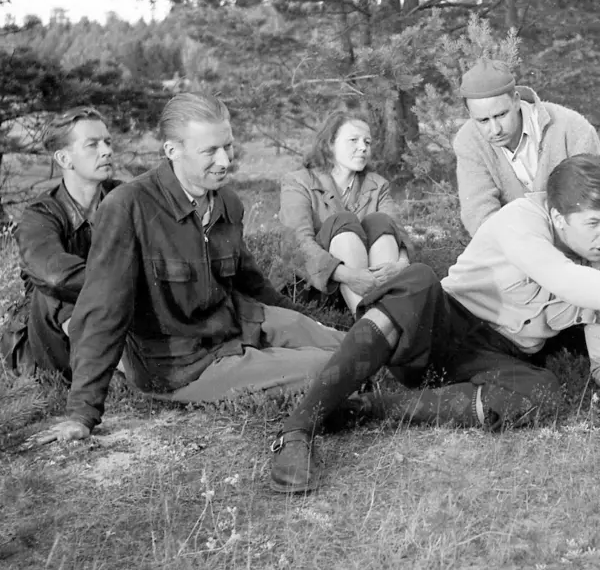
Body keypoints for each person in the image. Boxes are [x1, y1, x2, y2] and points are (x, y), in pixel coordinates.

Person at [269, 155, 600, 495]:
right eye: (594, 224)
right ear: (557, 217)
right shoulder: (520, 221)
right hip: (442, 325)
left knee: (545, 393)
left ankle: (369, 409)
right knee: (417, 280)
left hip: (496, 355)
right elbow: (562, 277)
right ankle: (298, 429)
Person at [25, 93, 345, 448]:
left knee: (351, 343)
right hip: (184, 363)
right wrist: (82, 413)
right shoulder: (129, 207)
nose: (224, 161)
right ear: (172, 150)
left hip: (236, 324)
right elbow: (103, 309)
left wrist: (305, 320)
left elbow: (250, 281)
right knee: (332, 366)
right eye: (210, 151)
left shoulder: (227, 201)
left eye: (228, 146)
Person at [6, 108, 123, 377]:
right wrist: (124, 282)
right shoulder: (40, 215)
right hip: (52, 338)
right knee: (51, 290)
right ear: (64, 158)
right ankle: (113, 367)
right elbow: (54, 276)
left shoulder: (124, 197)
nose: (106, 151)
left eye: (108, 142)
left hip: (116, 316)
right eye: (92, 145)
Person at [279, 107, 413, 314]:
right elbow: (297, 244)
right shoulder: (298, 182)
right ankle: (372, 323)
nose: (363, 147)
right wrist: (348, 275)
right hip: (314, 288)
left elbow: (399, 234)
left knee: (381, 222)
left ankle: (380, 321)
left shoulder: (378, 185)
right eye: (353, 140)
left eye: (367, 142)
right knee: (343, 222)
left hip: (372, 284)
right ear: (330, 144)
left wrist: (402, 265)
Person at [452, 58, 600, 236]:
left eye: (501, 115)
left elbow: (594, 204)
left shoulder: (572, 128)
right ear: (470, 114)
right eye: (483, 120)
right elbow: (479, 215)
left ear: (516, 100)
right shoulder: (468, 142)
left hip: (578, 241)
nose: (495, 129)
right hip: (512, 247)